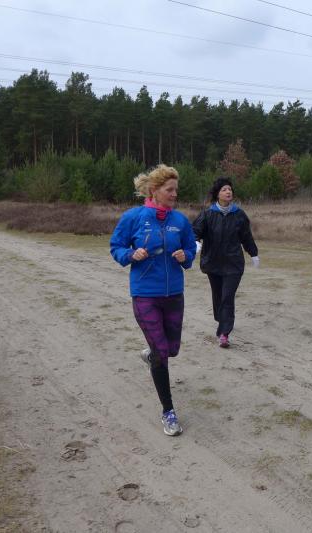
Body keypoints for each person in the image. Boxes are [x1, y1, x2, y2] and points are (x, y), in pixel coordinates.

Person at [110, 164, 197, 436]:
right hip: (145, 294)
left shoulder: (180, 221)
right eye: (169, 190)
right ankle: (168, 411)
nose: (174, 194)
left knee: (172, 350)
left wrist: (186, 256)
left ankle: (151, 354)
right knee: (162, 355)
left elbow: (191, 247)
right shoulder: (133, 217)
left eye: (176, 190)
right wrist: (130, 255)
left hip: (174, 295)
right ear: (154, 190)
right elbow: (116, 246)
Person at [192, 177, 259, 349]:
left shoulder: (239, 215)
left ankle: (224, 333)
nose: (228, 192)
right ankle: (222, 319)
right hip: (213, 263)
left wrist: (253, 253)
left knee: (227, 297)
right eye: (224, 189)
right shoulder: (207, 214)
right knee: (218, 296)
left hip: (233, 264)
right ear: (217, 194)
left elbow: (246, 236)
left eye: (230, 189)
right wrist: (195, 242)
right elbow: (195, 231)